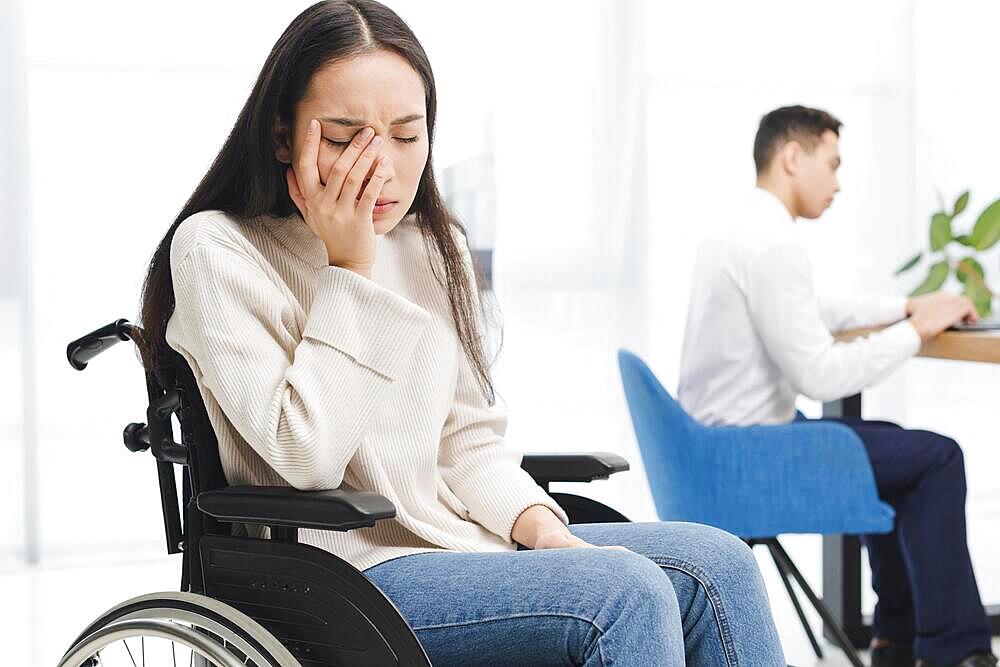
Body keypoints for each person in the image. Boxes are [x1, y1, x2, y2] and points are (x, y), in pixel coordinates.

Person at [134, 2, 787, 664]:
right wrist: (348, 268)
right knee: (625, 593)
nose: (379, 166)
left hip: (458, 544)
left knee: (719, 565)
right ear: (282, 136)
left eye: (405, 135)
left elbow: (465, 442)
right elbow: (306, 458)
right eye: (343, 137)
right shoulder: (217, 249)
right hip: (333, 571)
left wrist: (543, 532)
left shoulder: (428, 246)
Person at [678, 104, 996, 667]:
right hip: (753, 455)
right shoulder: (773, 246)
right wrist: (915, 332)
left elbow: (811, 310)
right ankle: (952, 652)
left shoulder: (739, 233)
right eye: (833, 163)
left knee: (897, 444)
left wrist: (904, 306)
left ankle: (896, 639)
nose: (839, 182)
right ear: (793, 157)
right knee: (936, 459)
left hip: (718, 447)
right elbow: (818, 374)